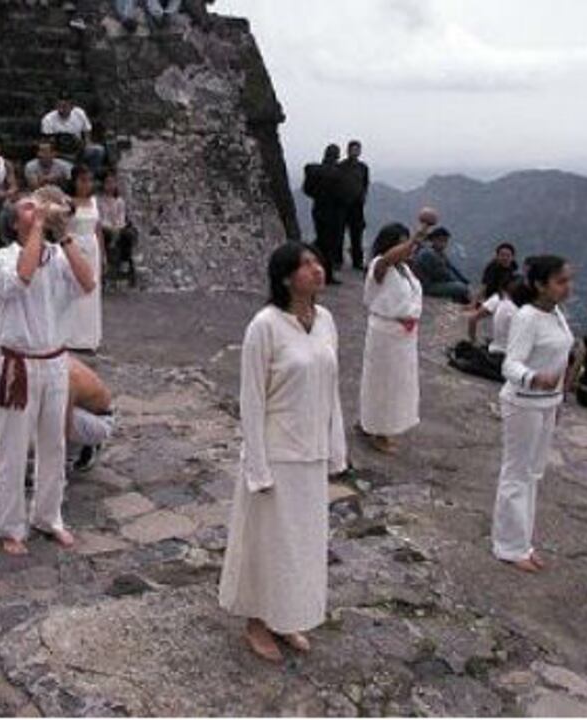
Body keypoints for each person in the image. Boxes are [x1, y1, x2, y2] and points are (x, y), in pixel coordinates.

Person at [219, 242, 346, 662]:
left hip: (311, 453)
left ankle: (287, 616)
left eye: (317, 261)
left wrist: (335, 449)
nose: (316, 269)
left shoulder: (325, 320)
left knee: (304, 545)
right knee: (269, 543)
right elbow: (251, 398)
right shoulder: (265, 325)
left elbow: (331, 389)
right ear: (286, 276)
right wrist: (257, 465)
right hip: (276, 453)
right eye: (305, 264)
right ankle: (257, 622)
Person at [0, 190, 96, 556]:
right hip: (18, 363)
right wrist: (37, 228)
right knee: (12, 447)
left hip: (54, 361)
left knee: (55, 444)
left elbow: (88, 282)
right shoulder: (2, 258)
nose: (37, 210)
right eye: (28, 207)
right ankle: (9, 525)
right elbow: (21, 278)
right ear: (15, 221)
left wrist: (63, 233)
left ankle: (49, 516)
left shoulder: (58, 256)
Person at [492, 255, 575, 573]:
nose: (568, 287)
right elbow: (510, 364)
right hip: (524, 403)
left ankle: (522, 542)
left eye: (568, 280)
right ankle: (508, 547)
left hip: (546, 404)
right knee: (516, 473)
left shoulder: (555, 313)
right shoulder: (527, 317)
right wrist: (535, 378)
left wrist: (557, 399)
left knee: (533, 473)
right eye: (561, 281)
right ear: (540, 284)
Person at [359, 221, 429, 454]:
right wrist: (417, 236)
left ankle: (372, 422)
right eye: (402, 243)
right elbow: (390, 258)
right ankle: (377, 430)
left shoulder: (405, 271)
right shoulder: (381, 265)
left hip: (404, 335)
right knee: (382, 382)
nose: (409, 249)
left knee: (398, 383)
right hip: (386, 331)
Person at [451, 274, 519, 383]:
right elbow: (473, 318)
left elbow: (473, 318)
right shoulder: (513, 308)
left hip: (497, 350)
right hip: (506, 355)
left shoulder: (502, 303)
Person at [66, 164, 103, 352]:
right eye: (82, 180)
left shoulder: (94, 202)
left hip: (92, 246)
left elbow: (97, 228)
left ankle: (89, 337)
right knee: (75, 289)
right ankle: (71, 336)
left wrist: (102, 254)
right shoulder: (68, 202)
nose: (86, 185)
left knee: (91, 290)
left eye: (89, 180)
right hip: (74, 245)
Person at [302, 144, 345, 285]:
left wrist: (318, 196)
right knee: (329, 243)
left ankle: (316, 267)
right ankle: (326, 274)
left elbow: (307, 189)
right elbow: (343, 194)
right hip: (334, 211)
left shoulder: (315, 171)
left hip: (319, 208)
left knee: (322, 240)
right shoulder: (338, 173)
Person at [67, 355, 116, 471]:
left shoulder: (66, 373)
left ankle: (79, 450)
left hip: (99, 421)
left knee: (51, 414)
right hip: (83, 412)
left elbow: (64, 421)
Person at [97, 169, 137, 287]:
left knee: (127, 234)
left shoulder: (119, 201)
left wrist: (117, 227)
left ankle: (125, 260)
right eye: (107, 183)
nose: (110, 186)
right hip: (104, 227)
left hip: (117, 227)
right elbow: (100, 218)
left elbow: (121, 218)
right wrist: (109, 227)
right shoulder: (98, 201)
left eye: (112, 183)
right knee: (106, 233)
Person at [412, 227, 472, 304]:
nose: (443, 244)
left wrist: (465, 281)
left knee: (462, 285)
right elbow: (441, 274)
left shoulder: (439, 253)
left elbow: (452, 268)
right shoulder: (428, 254)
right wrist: (460, 283)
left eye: (445, 241)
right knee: (460, 287)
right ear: (433, 240)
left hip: (435, 282)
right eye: (440, 240)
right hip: (426, 285)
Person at [337, 140, 369, 272]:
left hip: (357, 205)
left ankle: (357, 261)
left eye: (357, 149)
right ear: (348, 150)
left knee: (357, 234)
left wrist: (362, 197)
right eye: (353, 149)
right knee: (339, 233)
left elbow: (365, 184)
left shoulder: (363, 167)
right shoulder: (341, 166)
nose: (355, 152)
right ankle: (337, 260)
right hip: (343, 205)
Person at [40, 96, 92, 161]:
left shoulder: (79, 113)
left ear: (72, 107)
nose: (61, 109)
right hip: (59, 151)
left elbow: (87, 130)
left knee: (98, 150)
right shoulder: (48, 119)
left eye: (64, 107)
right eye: (59, 106)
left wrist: (87, 144)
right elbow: (47, 142)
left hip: (78, 148)